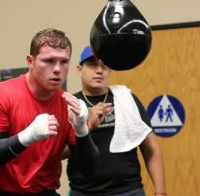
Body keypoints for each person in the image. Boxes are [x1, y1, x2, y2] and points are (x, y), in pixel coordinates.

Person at [0, 28, 99, 196]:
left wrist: (81, 130)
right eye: (49, 61)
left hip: (45, 192)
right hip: (0, 192)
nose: (57, 69)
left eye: (64, 62)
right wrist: (26, 137)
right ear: (30, 61)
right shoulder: (0, 94)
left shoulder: (68, 104)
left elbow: (89, 169)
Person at [65, 46, 166, 196]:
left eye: (105, 65)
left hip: (129, 190)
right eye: (92, 64)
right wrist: (85, 127)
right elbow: (58, 153)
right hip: (84, 191)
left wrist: (160, 192)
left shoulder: (126, 98)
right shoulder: (70, 104)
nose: (99, 70)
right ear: (80, 70)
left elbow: (150, 148)